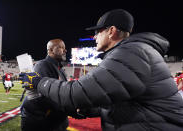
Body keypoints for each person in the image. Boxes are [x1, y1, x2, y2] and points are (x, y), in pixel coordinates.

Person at [20, 9, 183, 131]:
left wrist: (38, 81)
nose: (94, 37)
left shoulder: (131, 53)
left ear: (111, 31)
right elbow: (122, 103)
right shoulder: (134, 52)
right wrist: (86, 110)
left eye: (98, 32)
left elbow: (77, 93)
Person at [20, 39, 70, 131]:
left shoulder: (59, 68)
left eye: (65, 48)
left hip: (55, 122)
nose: (65, 50)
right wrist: (67, 107)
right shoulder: (42, 65)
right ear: (50, 50)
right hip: (41, 122)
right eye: (61, 47)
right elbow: (43, 96)